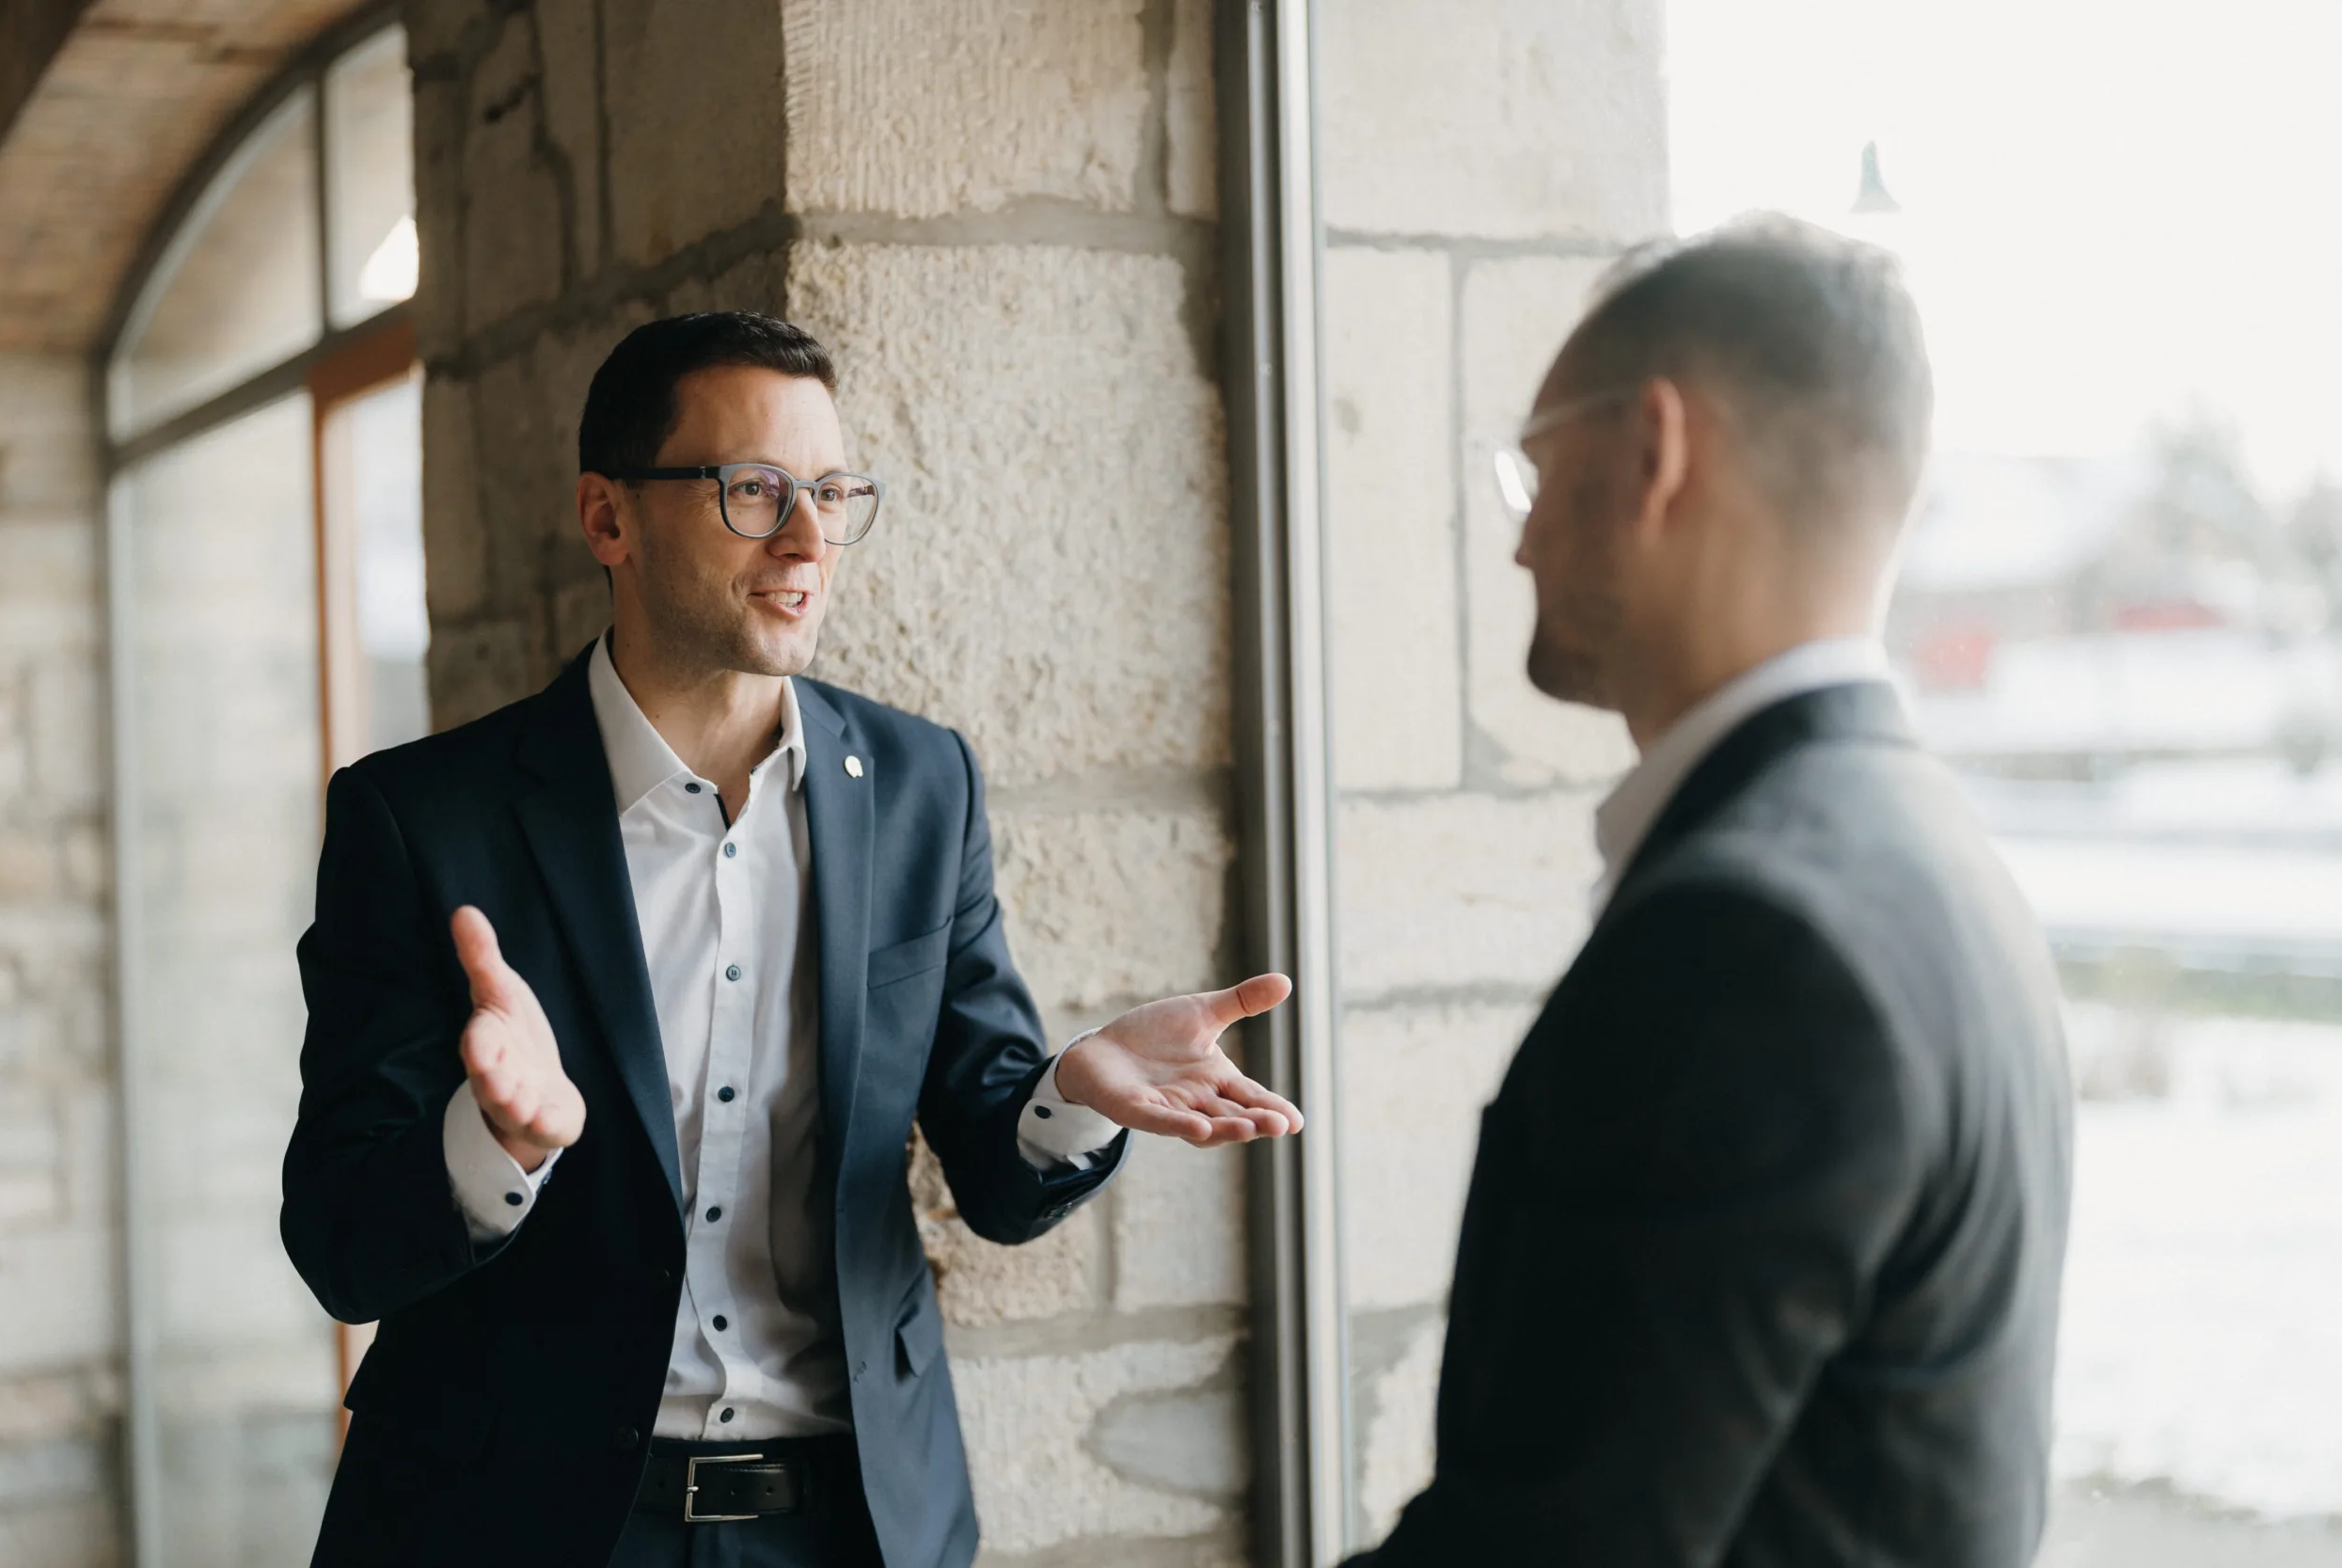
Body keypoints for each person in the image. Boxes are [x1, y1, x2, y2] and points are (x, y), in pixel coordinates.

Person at [281, 311, 1303, 1568]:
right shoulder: (420, 819)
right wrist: (491, 1141)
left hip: (854, 1522)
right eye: (754, 492)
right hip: (518, 1519)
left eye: (831, 491)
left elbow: (992, 1164)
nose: (811, 539)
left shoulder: (925, 785)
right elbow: (339, 1243)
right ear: (610, 518)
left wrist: (1070, 1098)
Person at [1349, 217, 2072, 1566]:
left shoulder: (1747, 940)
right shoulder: (1937, 860)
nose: (1517, 549)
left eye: (1536, 470)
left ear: (1652, 453)